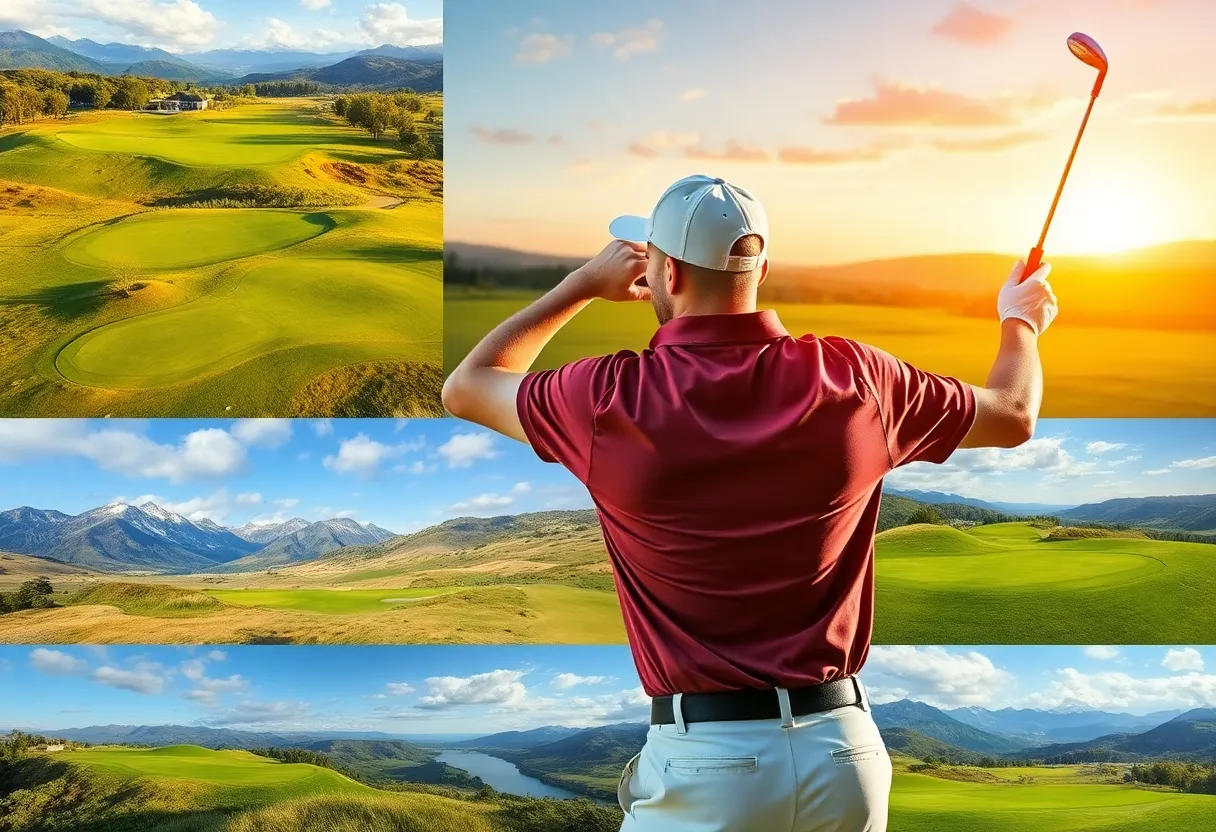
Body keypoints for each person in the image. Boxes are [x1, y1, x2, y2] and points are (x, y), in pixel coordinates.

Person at [441, 174, 1058, 831]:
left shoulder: (605, 396)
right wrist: (1020, 320)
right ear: (762, 268)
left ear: (666, 273)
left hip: (709, 764)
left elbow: (469, 386)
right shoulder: (858, 377)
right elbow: (1014, 414)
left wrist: (582, 285)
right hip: (844, 757)